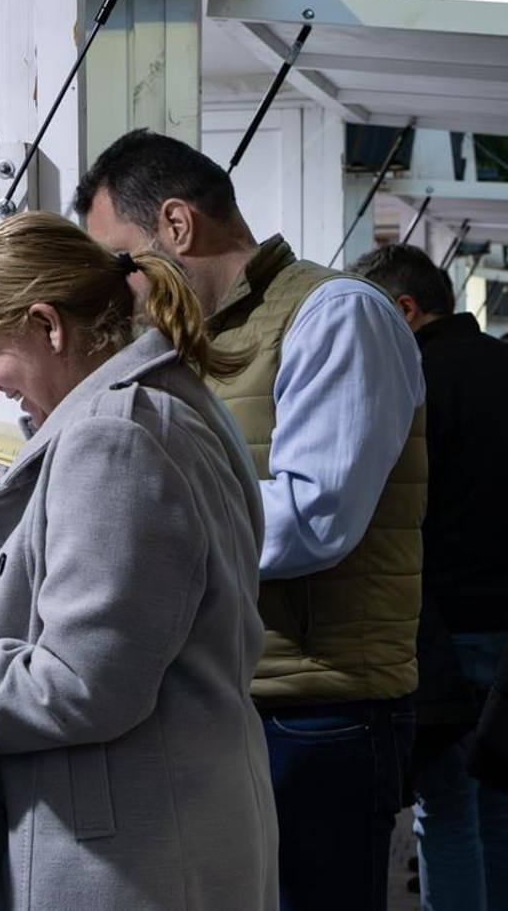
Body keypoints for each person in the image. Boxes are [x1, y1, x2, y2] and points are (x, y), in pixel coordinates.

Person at [0, 211, 278, 909]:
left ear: (47, 325)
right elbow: (140, 637)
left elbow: (84, 686)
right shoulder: (165, 401)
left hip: (133, 855)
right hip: (179, 821)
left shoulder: (113, 440)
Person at [76, 129, 426, 911]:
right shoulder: (198, 338)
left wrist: (143, 525)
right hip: (235, 698)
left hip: (320, 712)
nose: (119, 288)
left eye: (122, 260)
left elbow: (313, 518)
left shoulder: (337, 315)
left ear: (176, 224)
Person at [350, 242, 508, 911]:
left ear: (406, 309)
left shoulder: (410, 382)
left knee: (445, 813)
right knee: (498, 806)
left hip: (443, 631)